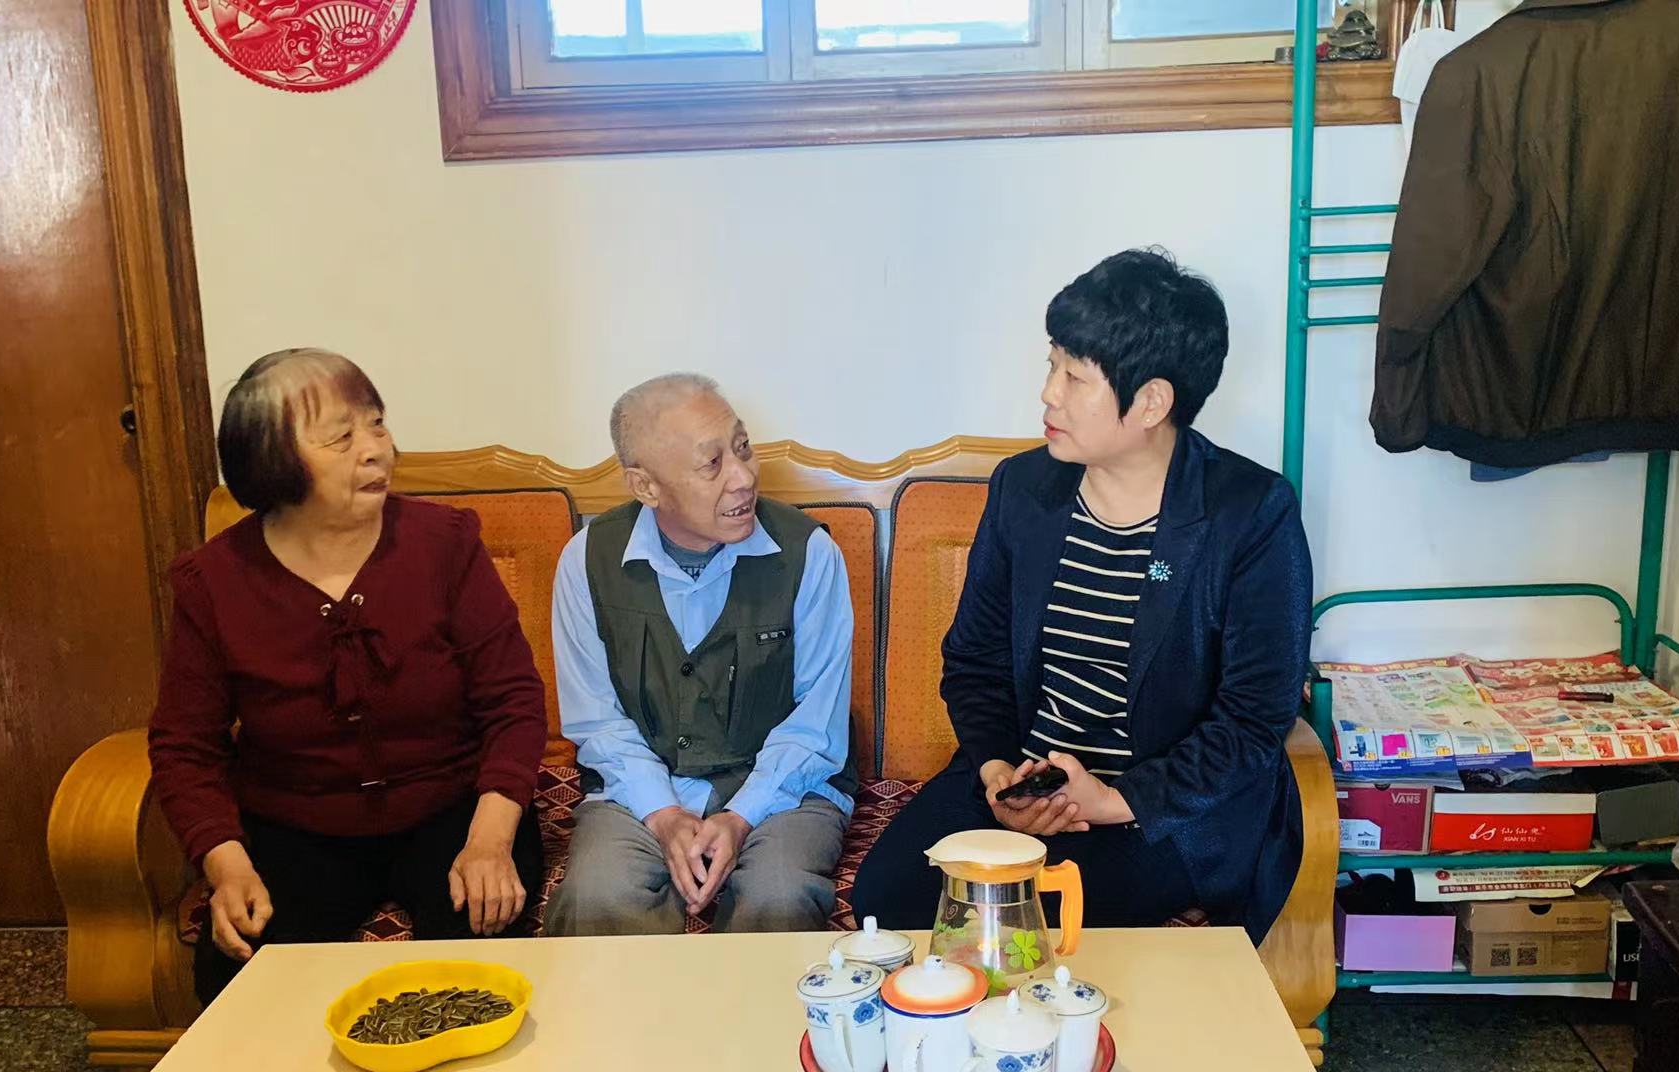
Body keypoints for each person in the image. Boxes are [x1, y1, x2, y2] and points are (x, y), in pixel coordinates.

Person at [849, 249, 1313, 937]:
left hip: (1158, 812)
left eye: (1074, 376)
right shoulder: (1023, 490)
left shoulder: (1249, 514)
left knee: (1026, 917)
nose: (1048, 394)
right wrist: (1000, 773)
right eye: (1051, 365)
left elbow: (1252, 720)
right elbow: (974, 660)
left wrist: (1112, 800)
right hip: (1025, 783)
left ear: (1151, 402)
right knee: (886, 898)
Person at [149, 349, 548, 1003]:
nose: (376, 449)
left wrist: (490, 841)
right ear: (271, 459)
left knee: (473, 970)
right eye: (342, 437)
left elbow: (513, 701)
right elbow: (185, 746)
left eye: (377, 423)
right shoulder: (214, 582)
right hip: (296, 825)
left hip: (453, 807)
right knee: (240, 978)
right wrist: (227, 866)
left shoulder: (444, 543)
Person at [545, 373, 855, 935]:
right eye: (712, 464)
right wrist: (663, 814)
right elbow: (597, 720)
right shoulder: (587, 560)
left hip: (784, 787)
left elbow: (815, 723)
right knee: (597, 897)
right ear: (646, 486)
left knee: (779, 895)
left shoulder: (810, 553)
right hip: (638, 788)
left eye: (743, 448)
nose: (743, 478)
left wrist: (741, 816)